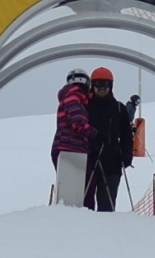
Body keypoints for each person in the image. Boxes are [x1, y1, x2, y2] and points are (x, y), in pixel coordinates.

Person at [82, 67, 132, 212]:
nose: (102, 88)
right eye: (98, 84)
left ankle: (105, 228)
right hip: (87, 162)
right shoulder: (85, 107)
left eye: (106, 84)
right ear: (92, 85)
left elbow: (127, 135)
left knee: (107, 208)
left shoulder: (119, 109)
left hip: (112, 163)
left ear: (111, 86)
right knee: (84, 208)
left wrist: (127, 155)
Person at [52, 69, 94, 207]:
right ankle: (81, 216)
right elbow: (77, 121)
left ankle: (78, 214)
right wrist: (94, 133)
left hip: (71, 148)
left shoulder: (75, 97)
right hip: (70, 148)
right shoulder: (73, 96)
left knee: (78, 189)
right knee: (80, 191)